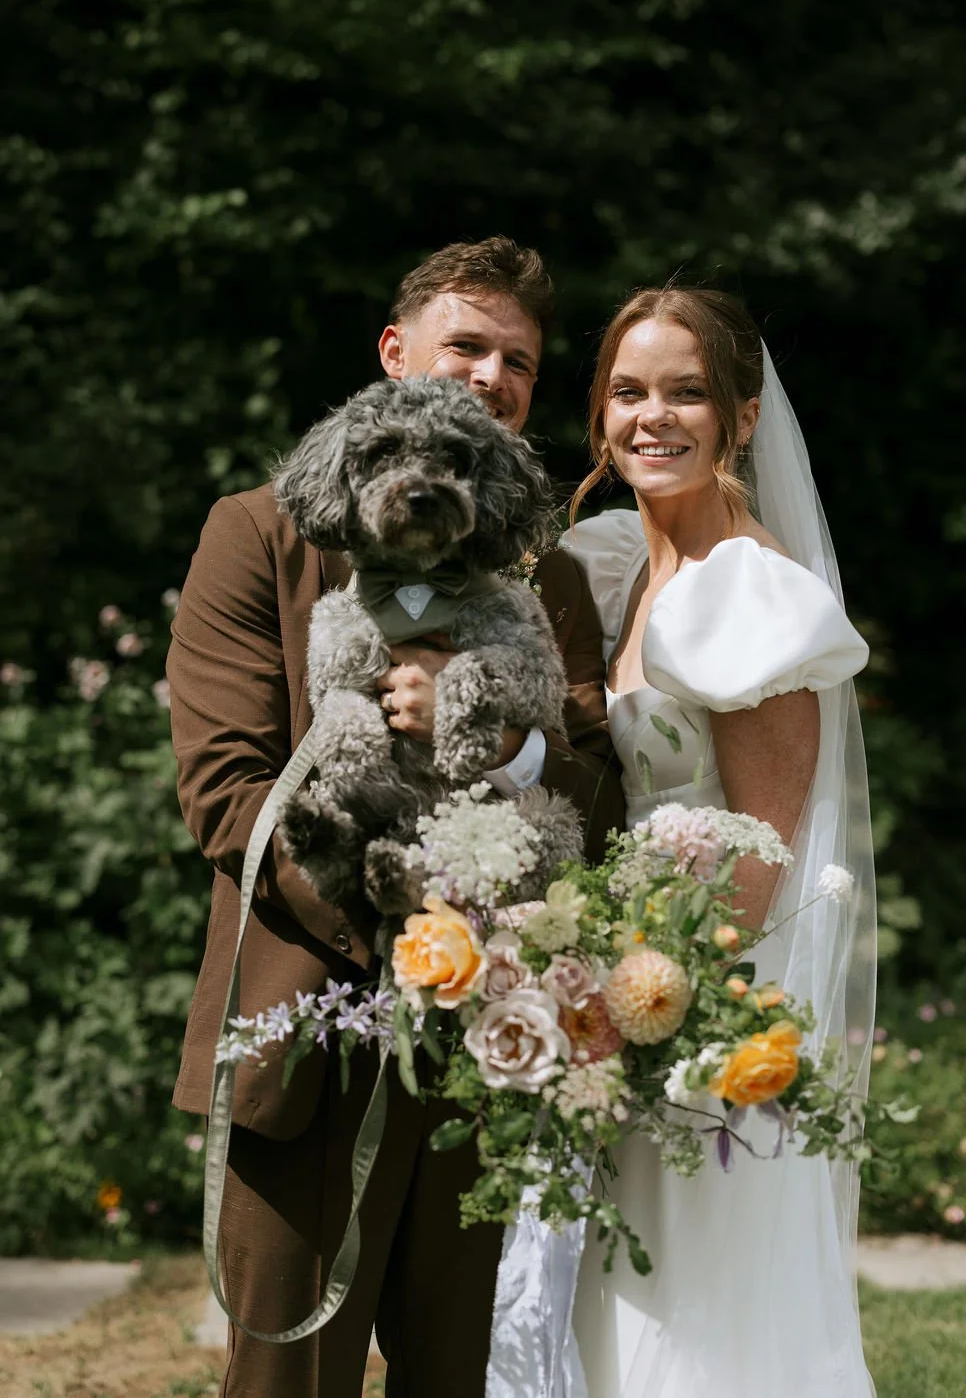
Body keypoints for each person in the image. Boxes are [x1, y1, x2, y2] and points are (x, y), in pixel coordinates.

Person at [167, 236, 624, 1398]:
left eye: (516, 362)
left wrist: (501, 744)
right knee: (287, 1382)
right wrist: (403, 925)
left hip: (486, 1048)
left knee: (455, 1375)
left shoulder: (545, 573)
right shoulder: (258, 532)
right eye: (465, 344)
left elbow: (595, 787)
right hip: (306, 1028)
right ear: (395, 352)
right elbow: (225, 792)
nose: (489, 375)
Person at [541, 287, 876, 1397]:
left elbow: (759, 856)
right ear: (597, 417)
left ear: (739, 418)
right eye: (628, 391)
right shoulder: (618, 565)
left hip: (700, 1005)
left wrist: (640, 1008)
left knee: (687, 1310)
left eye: (686, 391)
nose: (653, 415)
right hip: (611, 976)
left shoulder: (749, 592)